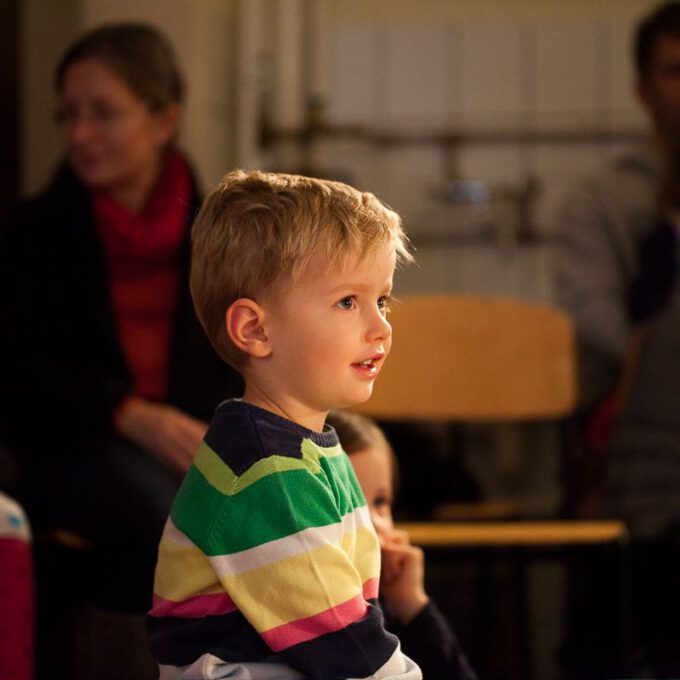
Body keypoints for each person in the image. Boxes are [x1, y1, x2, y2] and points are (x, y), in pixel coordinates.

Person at [0, 21, 242, 677]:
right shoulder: (33, 233)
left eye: (102, 114)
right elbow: (18, 379)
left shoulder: (225, 229)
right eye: (70, 115)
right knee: (157, 513)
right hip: (73, 450)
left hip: (199, 445)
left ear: (164, 119)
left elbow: (252, 357)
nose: (79, 135)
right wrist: (127, 412)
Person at [148, 169, 422, 679]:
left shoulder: (301, 448)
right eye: (348, 302)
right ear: (255, 329)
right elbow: (348, 653)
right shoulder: (264, 470)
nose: (381, 325)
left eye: (381, 300)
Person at [554, 2, 680, 674]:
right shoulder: (603, 204)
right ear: (642, 89)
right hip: (635, 453)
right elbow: (594, 328)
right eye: (676, 72)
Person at [326, 409, 478, 680]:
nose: (374, 522)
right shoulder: (313, 608)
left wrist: (412, 605)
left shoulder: (388, 602)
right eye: (351, 503)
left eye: (381, 502)